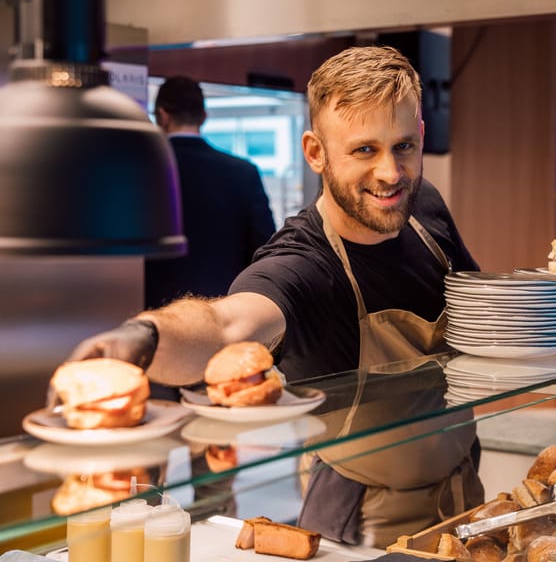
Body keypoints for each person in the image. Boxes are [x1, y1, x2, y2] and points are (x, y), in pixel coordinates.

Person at [66, 46, 484, 547]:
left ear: (421, 136)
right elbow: (230, 324)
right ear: (315, 152)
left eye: (402, 147)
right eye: (364, 150)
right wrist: (147, 335)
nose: (391, 173)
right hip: (365, 526)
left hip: (463, 496)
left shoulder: (426, 209)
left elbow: (477, 309)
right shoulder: (305, 263)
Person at [145, 75, 276, 309]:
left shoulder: (141, 170)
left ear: (162, 115)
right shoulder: (243, 172)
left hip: (155, 312)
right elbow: (265, 250)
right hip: (223, 310)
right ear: (203, 116)